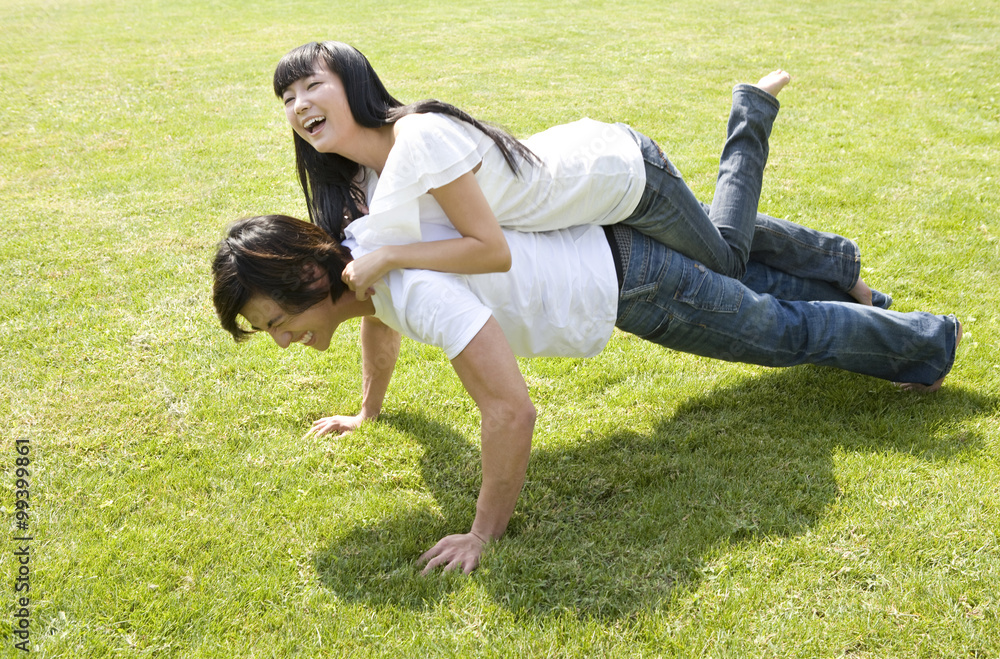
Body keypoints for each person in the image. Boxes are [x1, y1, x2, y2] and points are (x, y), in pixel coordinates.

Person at [212, 214, 960, 574]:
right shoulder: (365, 263)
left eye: (277, 322)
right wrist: (370, 408)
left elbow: (510, 409)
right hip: (616, 258)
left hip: (633, 285)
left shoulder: (410, 286)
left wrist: (482, 533)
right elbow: (377, 324)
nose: (281, 341)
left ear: (309, 280)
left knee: (782, 335)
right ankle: (859, 286)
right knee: (747, 293)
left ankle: (929, 342)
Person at [273, 41, 872, 305]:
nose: (298, 105)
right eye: (286, 97)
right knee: (717, 238)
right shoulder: (364, 184)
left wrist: (391, 258)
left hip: (622, 176)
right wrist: (368, 408)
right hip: (591, 191)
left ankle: (753, 112)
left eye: (311, 85)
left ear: (353, 82)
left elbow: (491, 251)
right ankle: (852, 284)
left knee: (727, 263)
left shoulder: (419, 138)